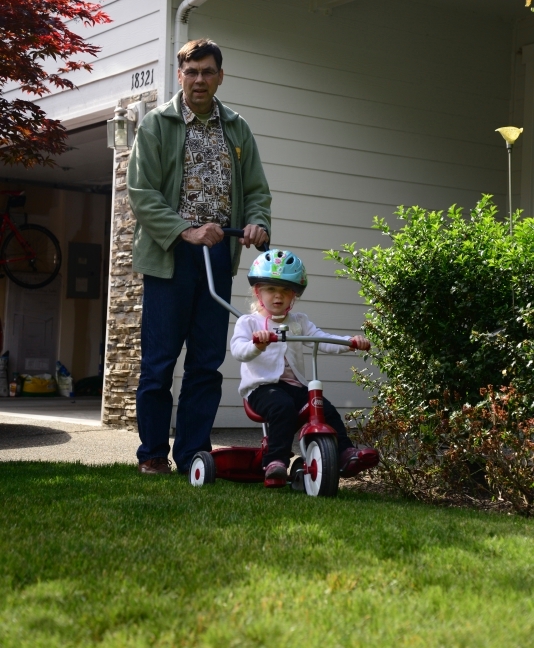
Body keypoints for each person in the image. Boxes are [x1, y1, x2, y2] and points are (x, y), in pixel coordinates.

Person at [128, 38, 271, 475]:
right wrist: (186, 231)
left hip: (218, 258)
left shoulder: (237, 128)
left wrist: (257, 222)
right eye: (191, 72)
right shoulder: (157, 124)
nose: (199, 80)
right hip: (170, 256)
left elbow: (255, 190)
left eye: (208, 72)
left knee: (207, 363)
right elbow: (142, 193)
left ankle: (192, 453)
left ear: (220, 77)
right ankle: (153, 453)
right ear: (180, 76)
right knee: (159, 363)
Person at [230, 249, 379, 483]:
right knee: (282, 406)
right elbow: (238, 350)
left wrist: (350, 342)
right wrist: (257, 344)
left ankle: (345, 453)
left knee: (324, 408)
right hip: (261, 389)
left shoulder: (299, 322)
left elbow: (322, 339)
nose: (278, 296)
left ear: (294, 295)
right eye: (271, 289)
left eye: (285, 290)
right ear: (258, 292)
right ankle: (275, 461)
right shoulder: (248, 323)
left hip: (295, 386)